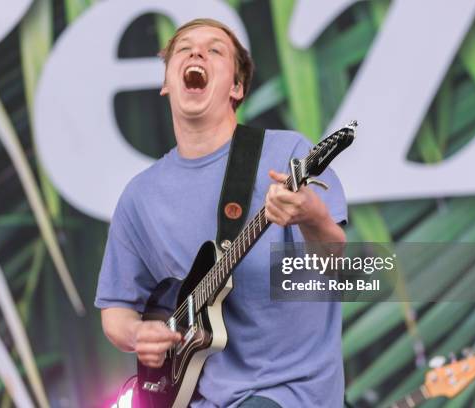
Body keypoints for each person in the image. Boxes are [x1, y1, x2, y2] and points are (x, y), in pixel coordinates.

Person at [95, 18, 347, 408]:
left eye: (215, 50)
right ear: (166, 83)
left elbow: (338, 269)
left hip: (288, 391)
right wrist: (138, 335)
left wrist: (313, 216)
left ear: (236, 88)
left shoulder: (287, 154)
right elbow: (116, 309)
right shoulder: (140, 196)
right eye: (185, 49)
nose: (197, 52)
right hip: (200, 396)